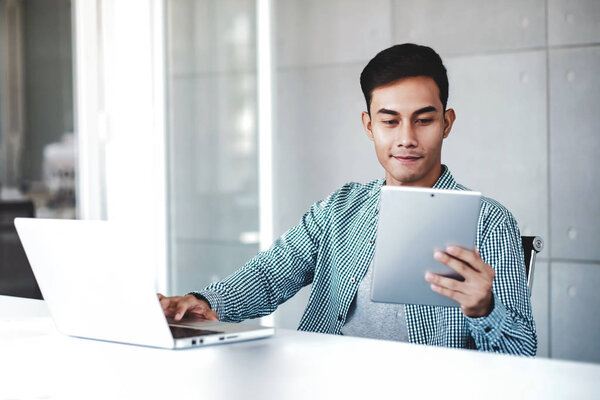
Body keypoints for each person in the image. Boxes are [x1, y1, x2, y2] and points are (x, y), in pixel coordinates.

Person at [158, 43, 537, 356]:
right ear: (369, 126)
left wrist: (484, 310)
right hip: (323, 381)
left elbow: (521, 354)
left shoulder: (488, 223)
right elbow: (270, 274)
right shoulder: (340, 207)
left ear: (447, 123)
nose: (406, 137)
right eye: (390, 121)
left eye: (423, 120)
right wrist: (204, 302)